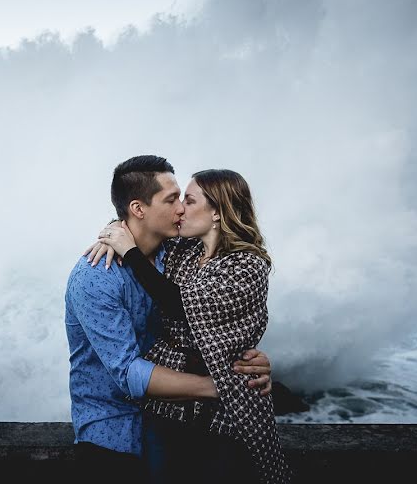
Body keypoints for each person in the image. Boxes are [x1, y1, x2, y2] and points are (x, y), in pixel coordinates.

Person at [64, 155, 273, 483]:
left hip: (168, 420)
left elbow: (201, 315)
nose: (181, 209)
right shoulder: (96, 277)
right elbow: (128, 372)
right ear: (138, 209)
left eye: (185, 199)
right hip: (111, 431)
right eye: (172, 199)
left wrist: (247, 360)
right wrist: (224, 386)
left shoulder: (175, 253)